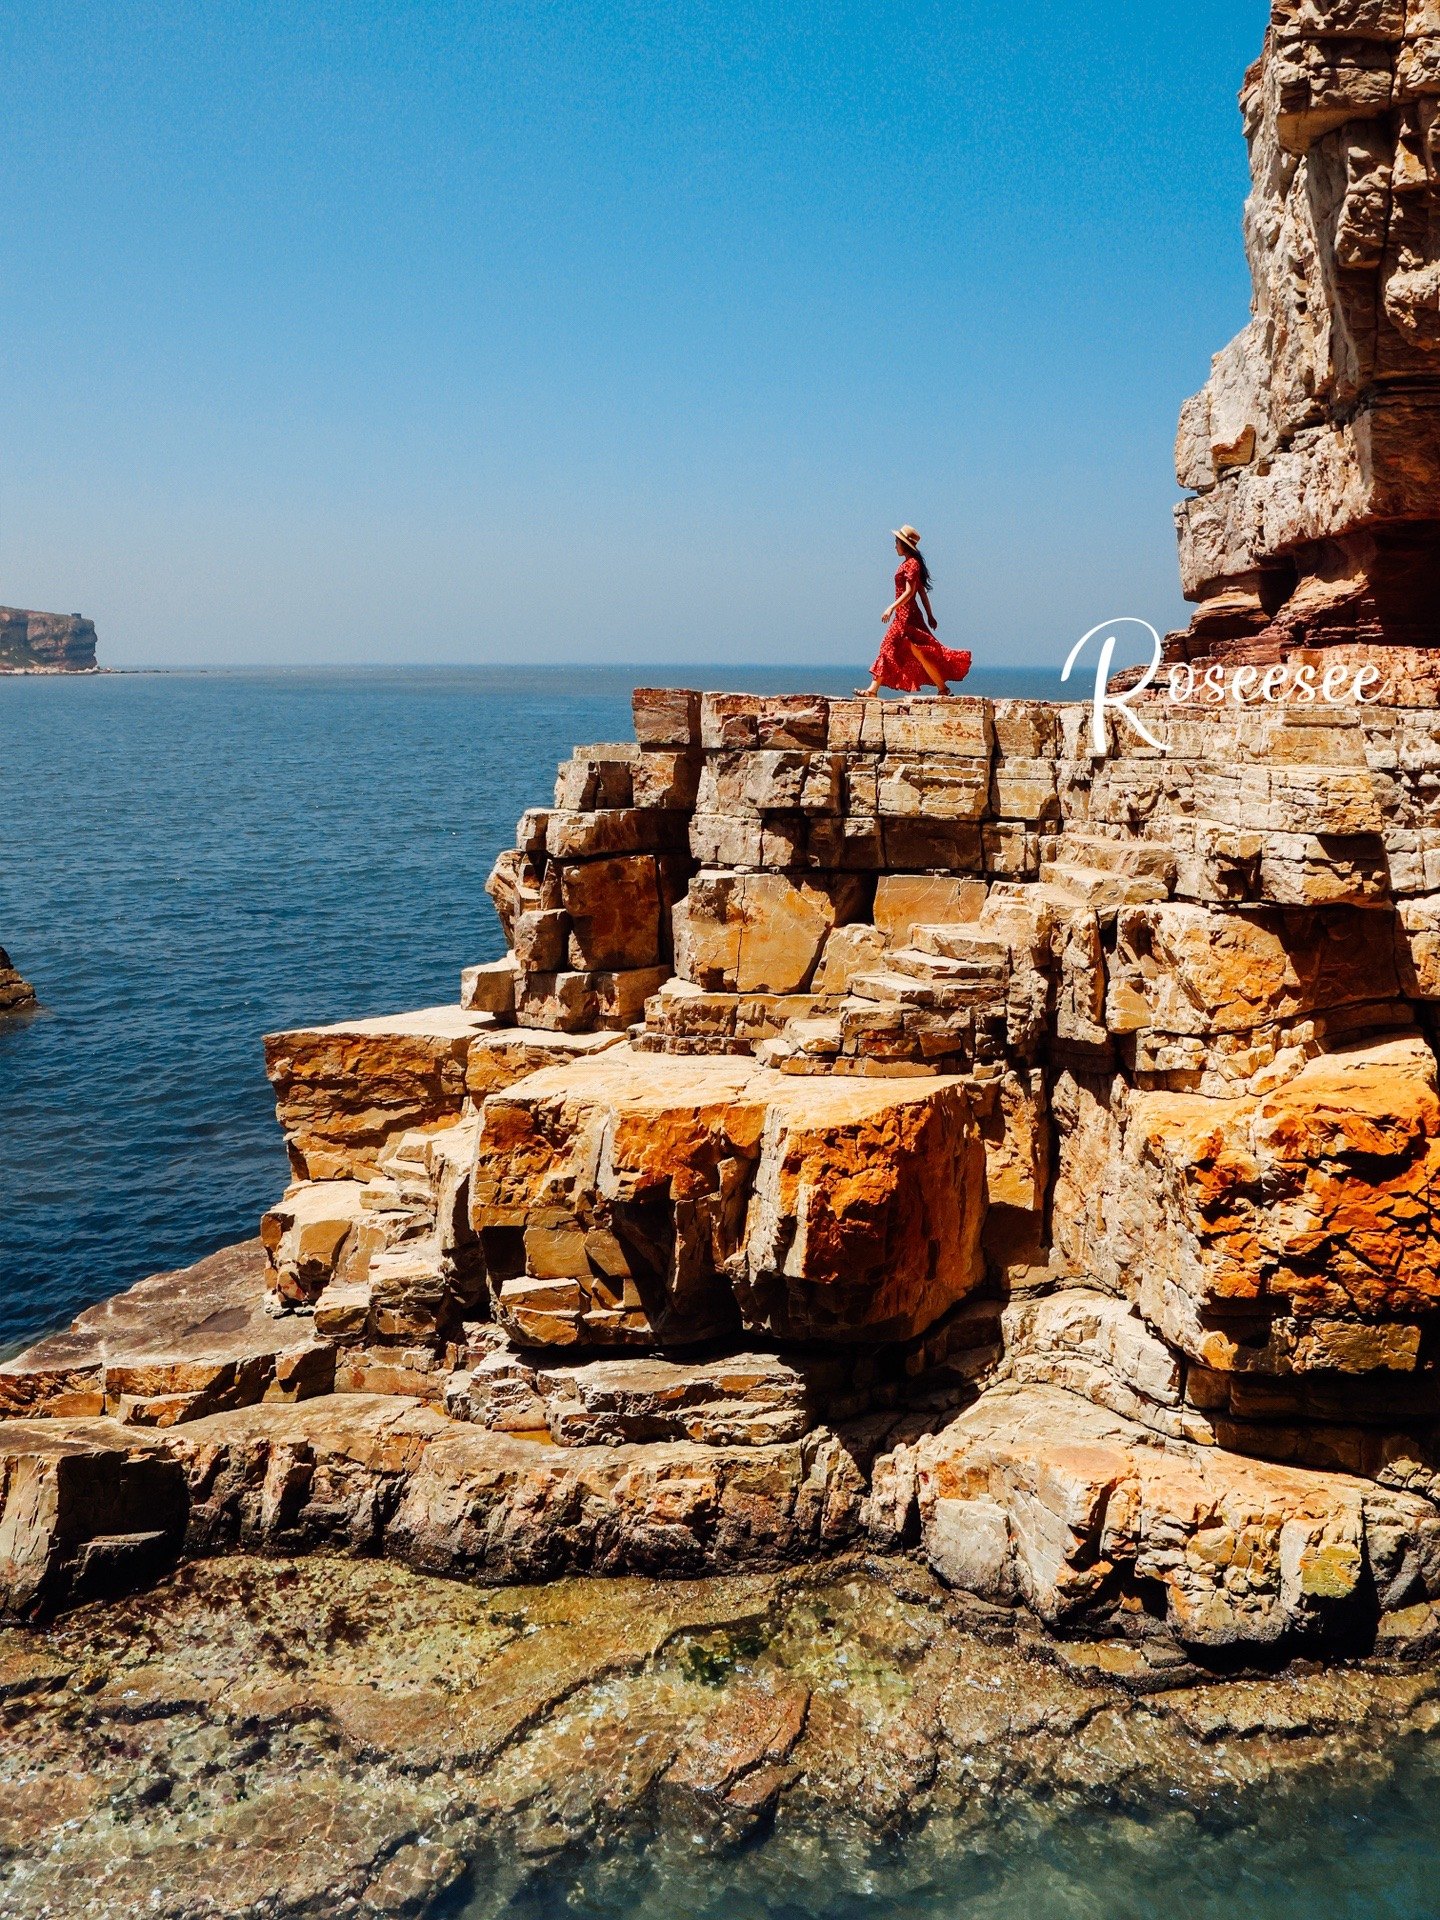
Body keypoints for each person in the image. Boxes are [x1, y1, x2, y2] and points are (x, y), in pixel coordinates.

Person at [858, 526, 972, 697]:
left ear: (904, 544)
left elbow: (911, 591)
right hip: (905, 615)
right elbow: (922, 593)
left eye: (897, 542)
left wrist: (891, 607)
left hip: (907, 616)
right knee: (919, 653)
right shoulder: (909, 563)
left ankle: (872, 690)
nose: (895, 546)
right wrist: (929, 615)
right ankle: (943, 689)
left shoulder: (912, 565)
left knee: (890, 647)